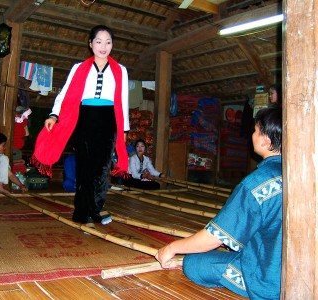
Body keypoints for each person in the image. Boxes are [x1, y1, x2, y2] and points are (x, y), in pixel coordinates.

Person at [155, 107, 282, 299]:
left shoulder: (256, 184)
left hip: (271, 280)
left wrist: (172, 247)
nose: (252, 135)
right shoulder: (303, 173)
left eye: (255, 131)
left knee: (194, 263)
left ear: (266, 140)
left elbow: (216, 237)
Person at [31, 25, 129, 226]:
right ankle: (83, 212)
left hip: (108, 121)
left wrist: (124, 130)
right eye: (99, 41)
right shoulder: (78, 68)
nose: (103, 46)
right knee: (84, 168)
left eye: (108, 42)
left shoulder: (121, 70)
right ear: (90, 44)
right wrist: (53, 115)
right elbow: (65, 94)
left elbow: (123, 101)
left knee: (102, 169)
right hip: (84, 120)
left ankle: (96, 210)